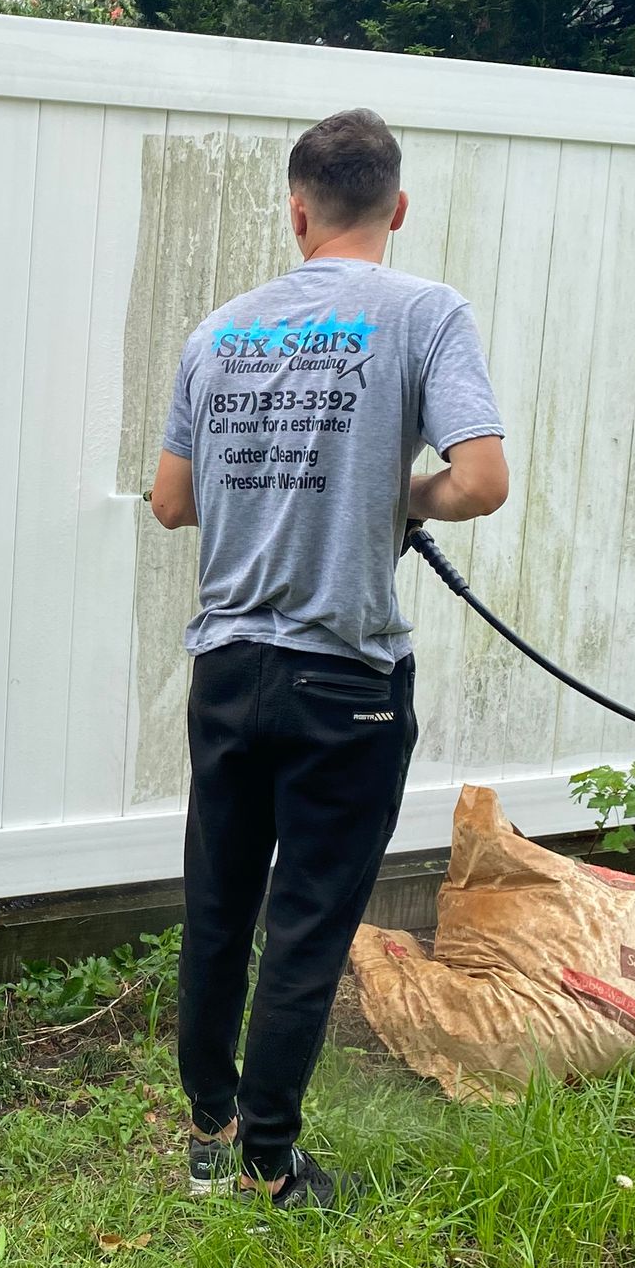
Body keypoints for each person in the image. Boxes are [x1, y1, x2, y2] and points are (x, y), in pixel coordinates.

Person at [149, 108, 508, 1207]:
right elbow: (482, 478)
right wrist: (398, 494)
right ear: (395, 209)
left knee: (218, 901)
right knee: (306, 916)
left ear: (296, 211)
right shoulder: (426, 313)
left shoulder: (217, 332)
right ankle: (270, 1161)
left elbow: (171, 502)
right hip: (344, 678)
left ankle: (209, 1133)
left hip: (229, 669)